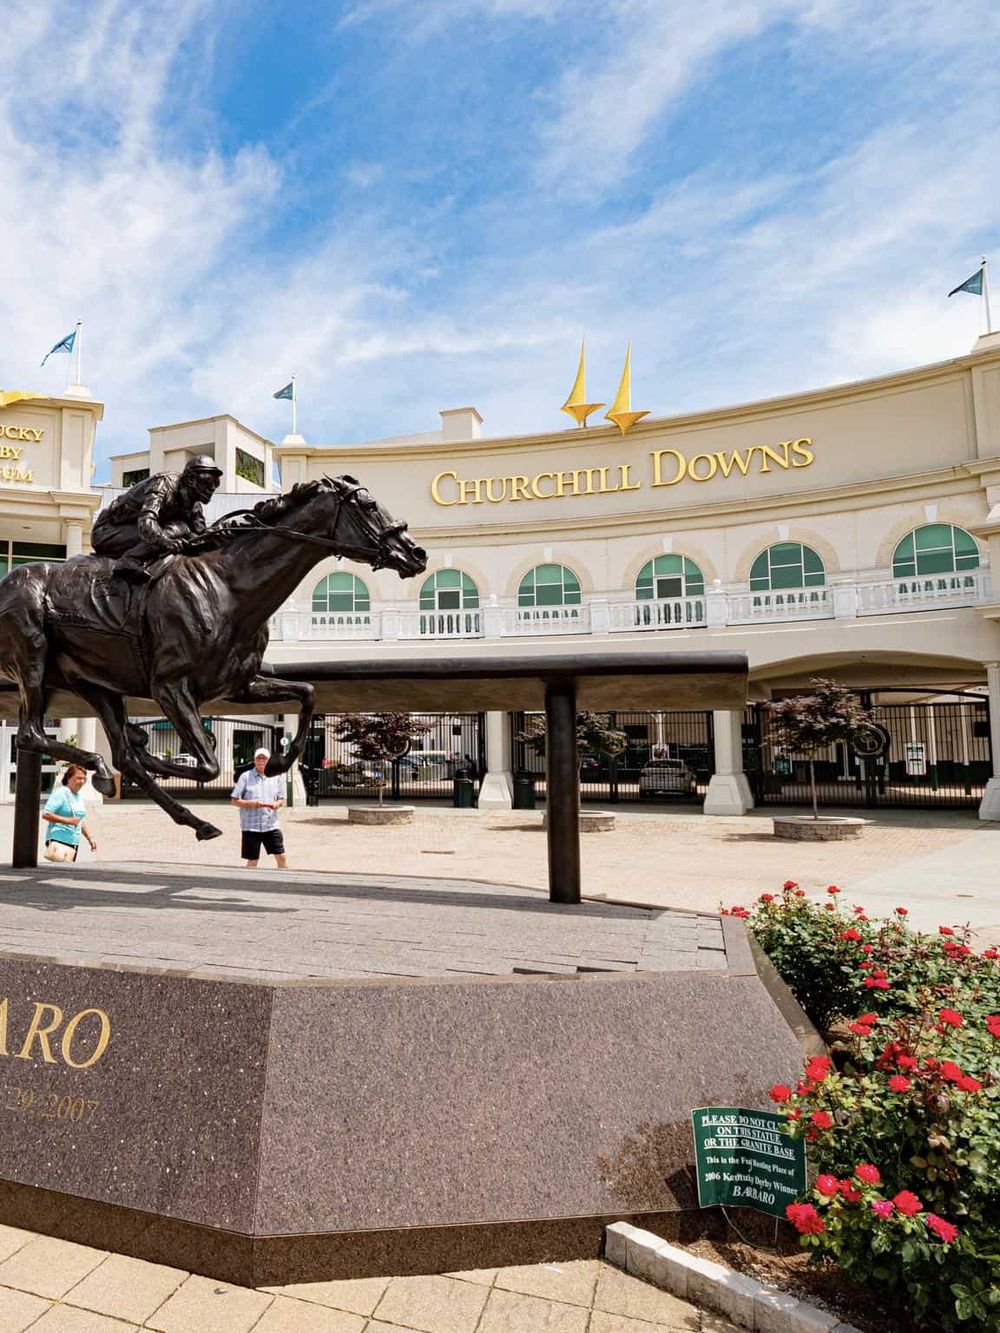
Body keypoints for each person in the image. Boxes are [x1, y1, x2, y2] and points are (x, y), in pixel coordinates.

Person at [91, 455, 223, 582]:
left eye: (216, 483)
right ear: (190, 479)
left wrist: (222, 534)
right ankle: (129, 560)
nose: (212, 488)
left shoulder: (195, 505)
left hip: (136, 534)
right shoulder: (164, 484)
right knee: (181, 527)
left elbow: (200, 537)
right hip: (107, 531)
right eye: (207, 482)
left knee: (185, 531)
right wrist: (167, 542)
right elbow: (146, 522)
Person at [230, 747, 288, 869]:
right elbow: (234, 800)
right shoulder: (245, 777)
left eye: (264, 758)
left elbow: (281, 798)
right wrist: (249, 804)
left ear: (269, 760)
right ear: (254, 760)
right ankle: (248, 884)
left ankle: (285, 881)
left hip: (271, 825)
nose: (261, 760)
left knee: (281, 856)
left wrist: (277, 804)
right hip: (251, 827)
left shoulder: (276, 777)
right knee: (252, 861)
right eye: (258, 758)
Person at [42, 764, 97, 862]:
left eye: (84, 779)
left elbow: (78, 820)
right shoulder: (61, 793)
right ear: (69, 778)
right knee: (61, 872)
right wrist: (68, 820)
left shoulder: (78, 796)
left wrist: (90, 838)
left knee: (67, 872)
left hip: (73, 842)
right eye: (78, 778)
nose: (82, 781)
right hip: (58, 839)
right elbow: (46, 814)